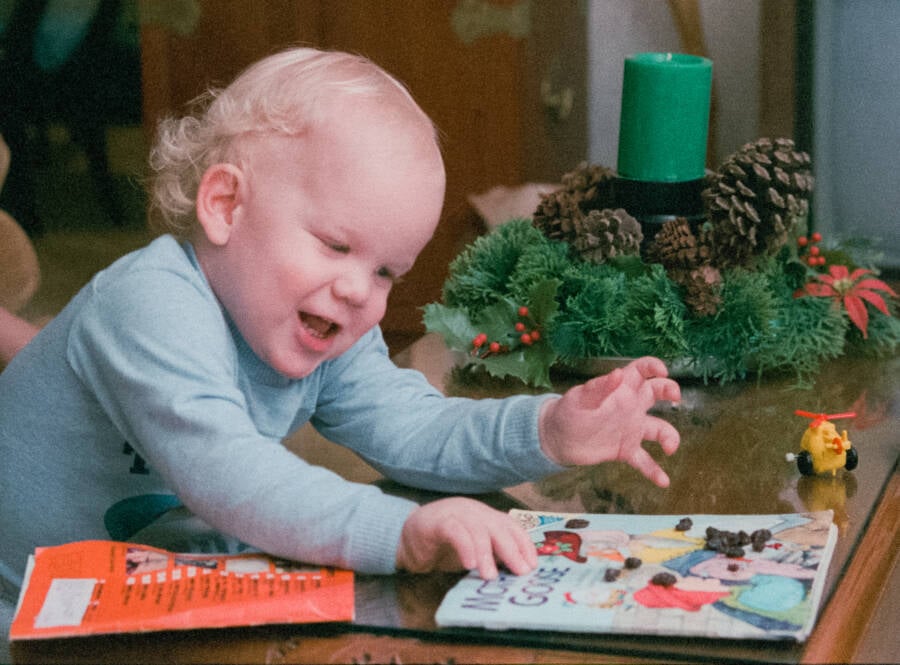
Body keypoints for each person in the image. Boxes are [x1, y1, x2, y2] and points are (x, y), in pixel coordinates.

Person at [0, 48, 680, 611]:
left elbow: (414, 428)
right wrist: (404, 533)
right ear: (225, 204)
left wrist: (547, 430)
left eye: (387, 271)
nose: (360, 290)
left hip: (160, 589)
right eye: (334, 245)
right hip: (25, 613)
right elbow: (231, 474)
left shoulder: (328, 323)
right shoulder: (150, 304)